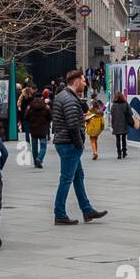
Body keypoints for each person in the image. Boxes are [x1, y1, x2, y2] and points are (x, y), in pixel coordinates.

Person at [51, 69, 107, 226]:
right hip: (69, 144)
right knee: (66, 179)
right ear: (75, 81)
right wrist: (80, 144)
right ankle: (59, 213)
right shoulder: (69, 99)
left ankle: (87, 210)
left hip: (65, 142)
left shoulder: (63, 96)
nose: (85, 83)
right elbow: (72, 126)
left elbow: (69, 120)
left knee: (77, 177)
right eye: (83, 80)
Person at [24, 89, 51, 168]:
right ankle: (39, 158)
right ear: (41, 97)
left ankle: (36, 161)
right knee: (43, 146)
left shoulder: (30, 106)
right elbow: (50, 117)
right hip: (43, 128)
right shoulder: (46, 106)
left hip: (33, 129)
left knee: (34, 146)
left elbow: (25, 117)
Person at [110, 92, 131, 159]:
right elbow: (130, 113)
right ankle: (124, 152)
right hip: (124, 123)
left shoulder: (114, 105)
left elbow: (111, 113)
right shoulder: (125, 104)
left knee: (118, 139)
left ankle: (119, 154)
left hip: (116, 123)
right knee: (124, 138)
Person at [85, 96, 105, 161]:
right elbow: (102, 121)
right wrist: (102, 127)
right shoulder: (101, 113)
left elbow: (87, 119)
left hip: (91, 128)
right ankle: (95, 152)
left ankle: (94, 152)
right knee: (95, 140)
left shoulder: (90, 111)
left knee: (92, 141)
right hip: (98, 129)